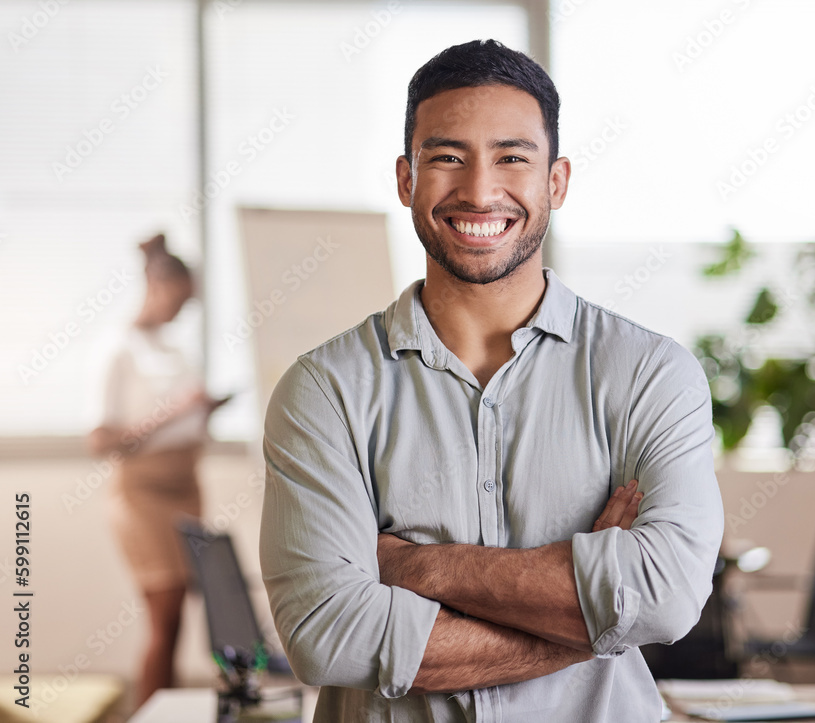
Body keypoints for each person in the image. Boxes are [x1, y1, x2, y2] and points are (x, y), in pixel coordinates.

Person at [260, 39, 724, 721]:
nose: (479, 190)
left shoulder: (649, 374)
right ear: (405, 179)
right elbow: (328, 637)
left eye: (512, 157)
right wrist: (596, 611)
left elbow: (665, 596)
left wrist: (415, 567)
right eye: (447, 157)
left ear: (556, 182)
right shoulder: (324, 390)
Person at [88, 234, 226, 707]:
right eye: (180, 299)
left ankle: (166, 712)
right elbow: (102, 440)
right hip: (142, 496)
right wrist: (171, 413)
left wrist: (203, 411)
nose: (182, 310)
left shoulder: (174, 350)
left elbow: (182, 420)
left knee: (180, 619)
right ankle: (146, 712)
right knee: (163, 616)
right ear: (156, 285)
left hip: (186, 487)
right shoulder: (119, 349)